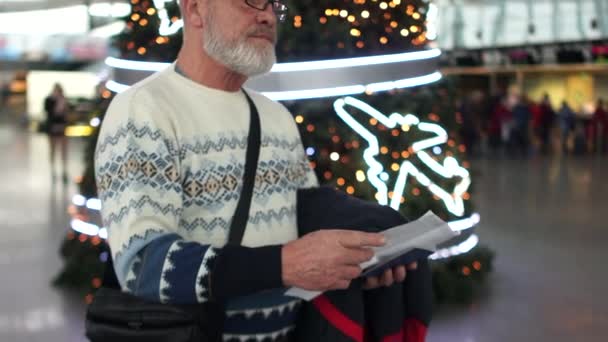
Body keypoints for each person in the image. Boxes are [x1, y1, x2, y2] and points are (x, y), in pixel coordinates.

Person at [95, 0, 418, 340]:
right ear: (194, 10)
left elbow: (306, 227)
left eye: (272, 4)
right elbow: (143, 265)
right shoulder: (143, 110)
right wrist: (284, 265)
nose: (266, 15)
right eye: (249, 2)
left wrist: (359, 263)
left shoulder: (275, 117)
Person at [44, 83, 69, 183]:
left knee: (63, 150)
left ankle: (64, 170)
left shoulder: (64, 100)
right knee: (52, 149)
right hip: (52, 127)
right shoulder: (49, 100)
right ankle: (53, 170)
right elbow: (48, 112)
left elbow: (66, 113)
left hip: (62, 127)